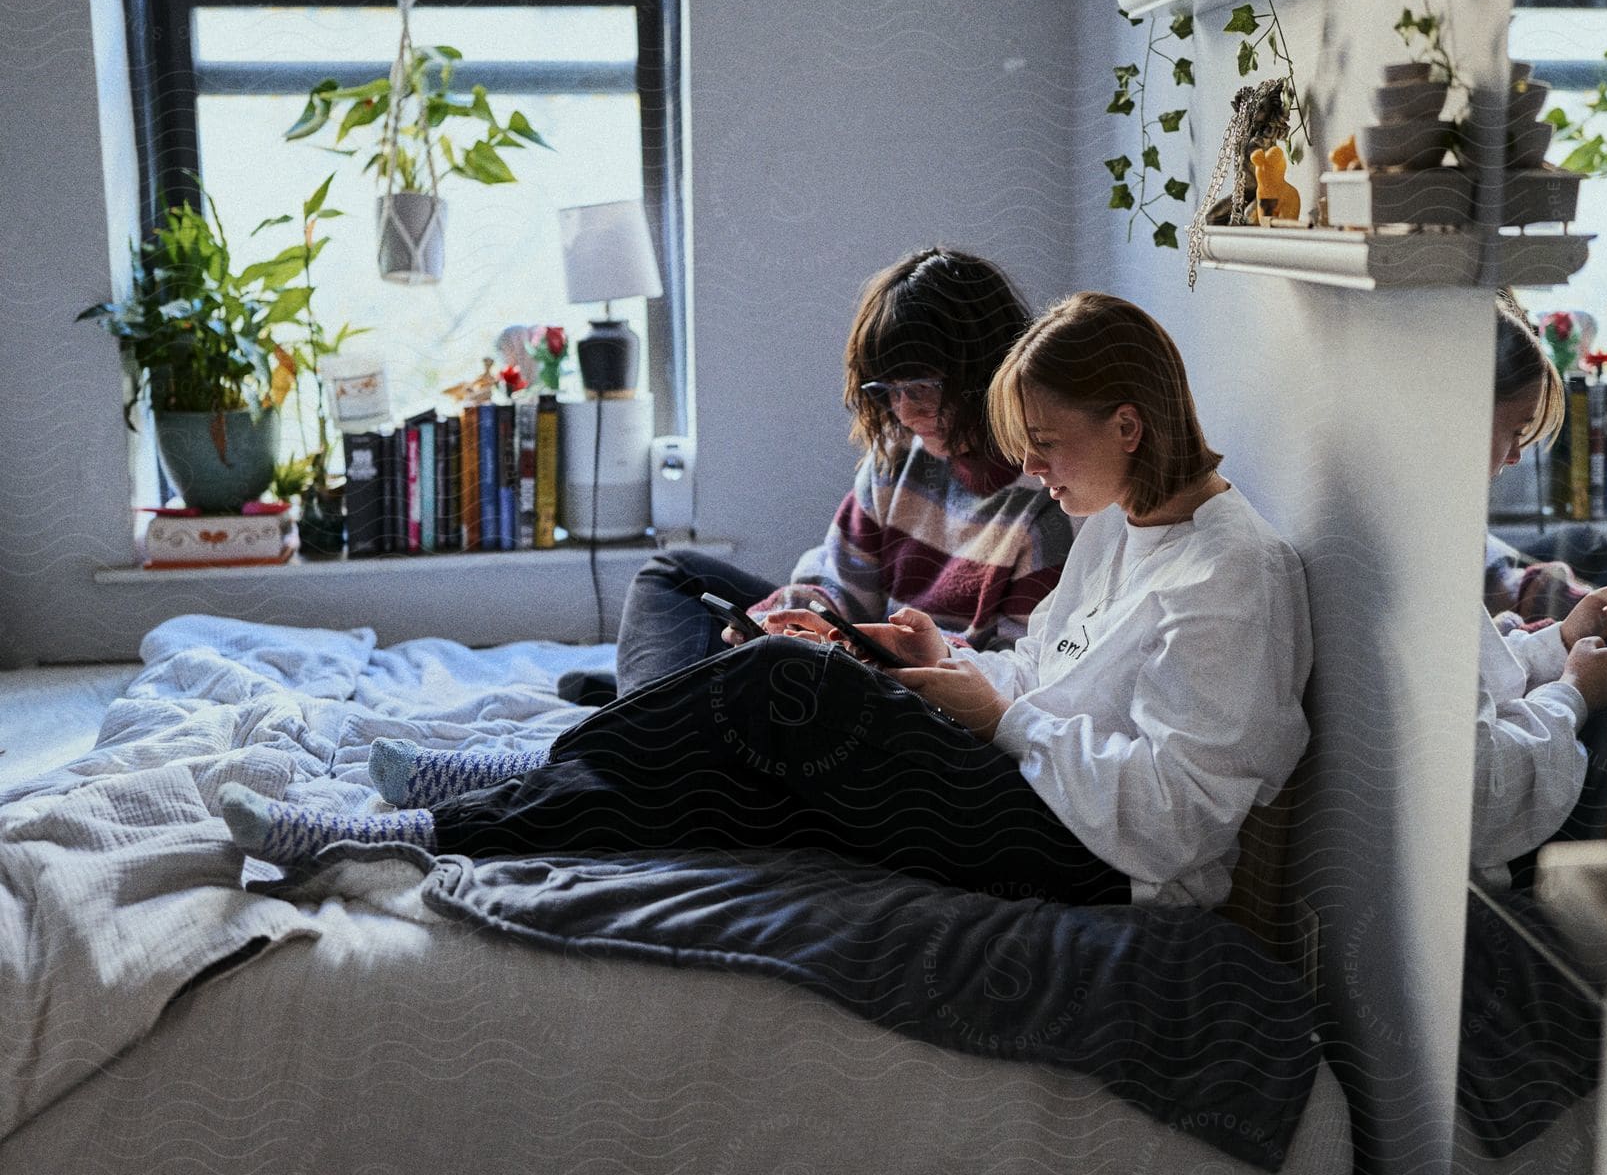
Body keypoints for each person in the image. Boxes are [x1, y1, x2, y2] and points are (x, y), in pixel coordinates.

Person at [220, 292, 1312, 910]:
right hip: (1036, 782)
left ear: (1128, 424)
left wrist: (1002, 717)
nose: (1036, 476)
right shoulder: (1126, 524)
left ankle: (435, 813)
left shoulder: (1232, 577)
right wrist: (947, 661)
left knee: (782, 691)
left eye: (1052, 447)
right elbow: (1058, 676)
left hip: (1095, 860)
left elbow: (1179, 824)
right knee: (763, 737)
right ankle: (427, 824)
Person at [557, 246, 1074, 707]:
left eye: (920, 387)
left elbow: (1013, 677)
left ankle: (648, 707)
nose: (905, 412)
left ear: (985, 370)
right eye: (887, 392)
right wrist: (790, 616)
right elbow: (839, 585)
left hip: (911, 696)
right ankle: (658, 699)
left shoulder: (1045, 503)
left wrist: (871, 651)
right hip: (851, 656)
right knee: (675, 574)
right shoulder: (898, 459)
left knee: (713, 678)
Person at [1473, 307, 1607, 884]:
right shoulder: (1414, 566)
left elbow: (1475, 685)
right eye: (1514, 430)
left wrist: (1562, 640)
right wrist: (1574, 692)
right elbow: (1484, 796)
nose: (1517, 455)